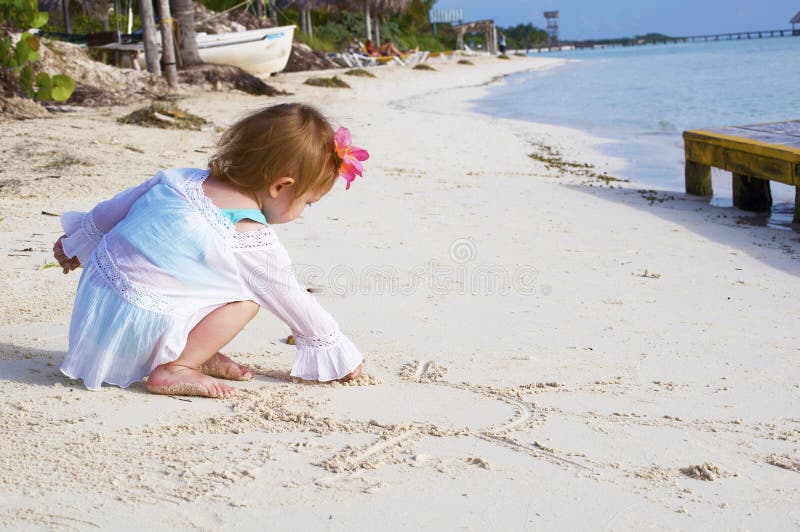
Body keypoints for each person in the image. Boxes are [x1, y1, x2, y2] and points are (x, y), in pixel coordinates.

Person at [52, 104, 369, 399]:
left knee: (205, 274)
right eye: (306, 202)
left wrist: (75, 243)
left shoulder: (179, 179)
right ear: (280, 187)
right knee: (246, 299)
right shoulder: (248, 235)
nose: (302, 211)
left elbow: (111, 211)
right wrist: (339, 354)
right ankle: (176, 367)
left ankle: (191, 351)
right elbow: (294, 300)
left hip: (96, 309)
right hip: (138, 328)